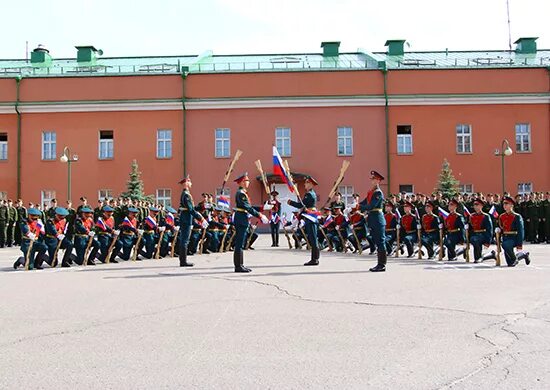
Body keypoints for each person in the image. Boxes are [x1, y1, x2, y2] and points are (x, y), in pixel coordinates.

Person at [234, 173, 269, 272]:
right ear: (241, 182)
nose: (248, 182)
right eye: (246, 180)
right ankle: (238, 266)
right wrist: (260, 215)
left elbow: (249, 206)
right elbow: (247, 207)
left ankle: (240, 265)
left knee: (241, 243)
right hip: (241, 218)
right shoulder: (241, 193)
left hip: (242, 218)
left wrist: (263, 207)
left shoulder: (243, 193)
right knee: (239, 244)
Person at [288, 176, 320, 266]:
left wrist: (290, 202)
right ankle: (315, 258)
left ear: (310, 184)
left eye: (306, 183)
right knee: (312, 238)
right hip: (310, 216)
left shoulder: (309, 194)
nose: (305, 184)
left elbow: (300, 205)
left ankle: (315, 259)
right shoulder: (311, 193)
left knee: (313, 238)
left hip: (311, 217)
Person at [360, 170, 387, 272]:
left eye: (374, 179)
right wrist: (353, 207)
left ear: (378, 181)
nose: (372, 180)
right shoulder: (371, 192)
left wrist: (359, 206)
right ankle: (379, 264)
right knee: (377, 241)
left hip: (378, 219)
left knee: (381, 241)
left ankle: (382, 265)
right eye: (372, 179)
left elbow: (371, 206)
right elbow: (364, 202)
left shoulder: (378, 192)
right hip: (373, 219)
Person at [178, 175, 208, 267]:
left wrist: (202, 206)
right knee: (185, 240)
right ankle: (183, 261)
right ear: (186, 183)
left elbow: (192, 208)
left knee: (184, 239)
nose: (191, 183)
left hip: (186, 217)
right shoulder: (186, 195)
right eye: (189, 181)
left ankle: (183, 260)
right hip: (186, 218)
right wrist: (201, 218)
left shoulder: (186, 194)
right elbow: (190, 210)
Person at [496, 196, 530, 266]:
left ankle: (515, 259)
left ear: (511, 205)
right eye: (503, 204)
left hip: (514, 238)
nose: (504, 205)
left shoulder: (517, 216)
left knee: (505, 245)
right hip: (505, 238)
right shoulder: (501, 216)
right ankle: (524, 254)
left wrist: (519, 245)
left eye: (506, 204)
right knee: (510, 263)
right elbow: (501, 228)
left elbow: (521, 231)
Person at [468, 198, 493, 263]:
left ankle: (479, 257)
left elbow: (489, 229)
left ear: (481, 206)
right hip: (474, 235)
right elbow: (470, 228)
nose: (475, 207)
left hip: (483, 235)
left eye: (477, 205)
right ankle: (479, 257)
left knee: (475, 240)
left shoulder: (486, 216)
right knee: (474, 240)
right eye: (474, 205)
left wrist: (488, 241)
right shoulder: (472, 216)